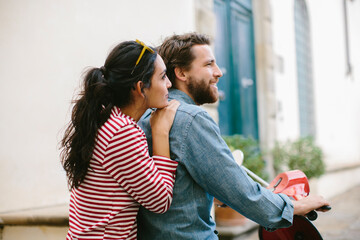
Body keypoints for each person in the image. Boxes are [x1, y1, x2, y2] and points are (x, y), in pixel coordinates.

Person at [137, 33, 330, 239]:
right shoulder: (191, 118)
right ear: (182, 73)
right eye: (209, 64)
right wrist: (292, 206)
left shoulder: (147, 115)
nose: (219, 72)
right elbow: (241, 192)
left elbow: (176, 186)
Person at [60, 39, 180, 240]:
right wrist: (160, 132)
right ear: (141, 87)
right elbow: (160, 201)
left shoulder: (105, 118)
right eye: (162, 77)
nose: (169, 83)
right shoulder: (121, 132)